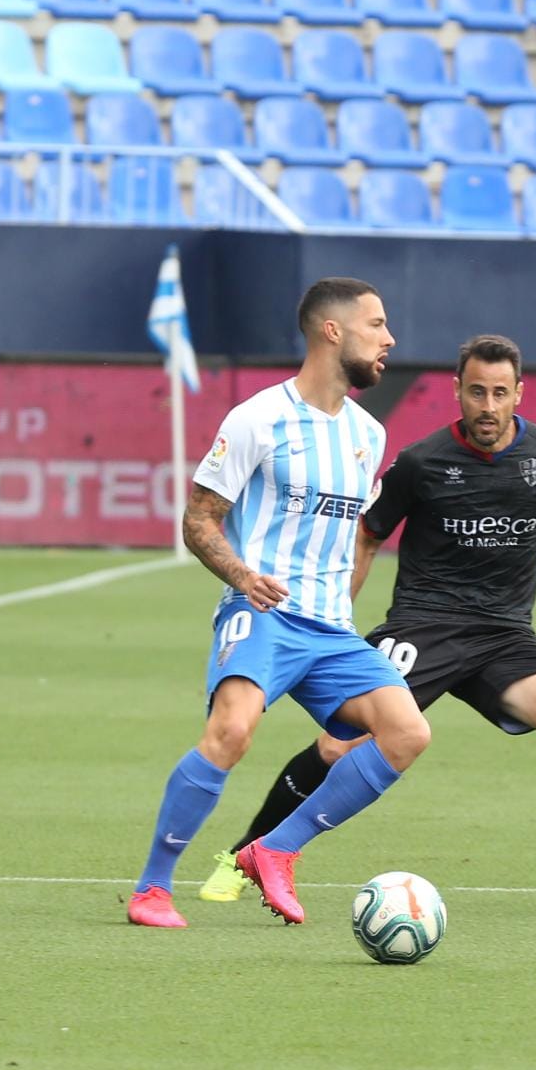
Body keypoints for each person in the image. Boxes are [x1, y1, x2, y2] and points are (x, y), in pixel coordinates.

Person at [200, 333, 536, 905]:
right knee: (341, 745)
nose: (488, 407)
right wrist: (337, 614)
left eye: (500, 393)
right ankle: (244, 857)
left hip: (504, 635)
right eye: (477, 392)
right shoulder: (421, 462)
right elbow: (367, 535)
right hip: (421, 628)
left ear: (519, 394)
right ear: (457, 391)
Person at [128, 277, 431, 929]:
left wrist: (345, 612)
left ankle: (275, 850)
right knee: (232, 731)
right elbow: (199, 520)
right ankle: (152, 888)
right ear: (332, 331)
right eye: (376, 324)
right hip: (261, 612)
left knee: (407, 732)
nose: (389, 338)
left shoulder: (368, 436)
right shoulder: (257, 419)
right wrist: (242, 576)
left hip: (331, 630)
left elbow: (350, 537)